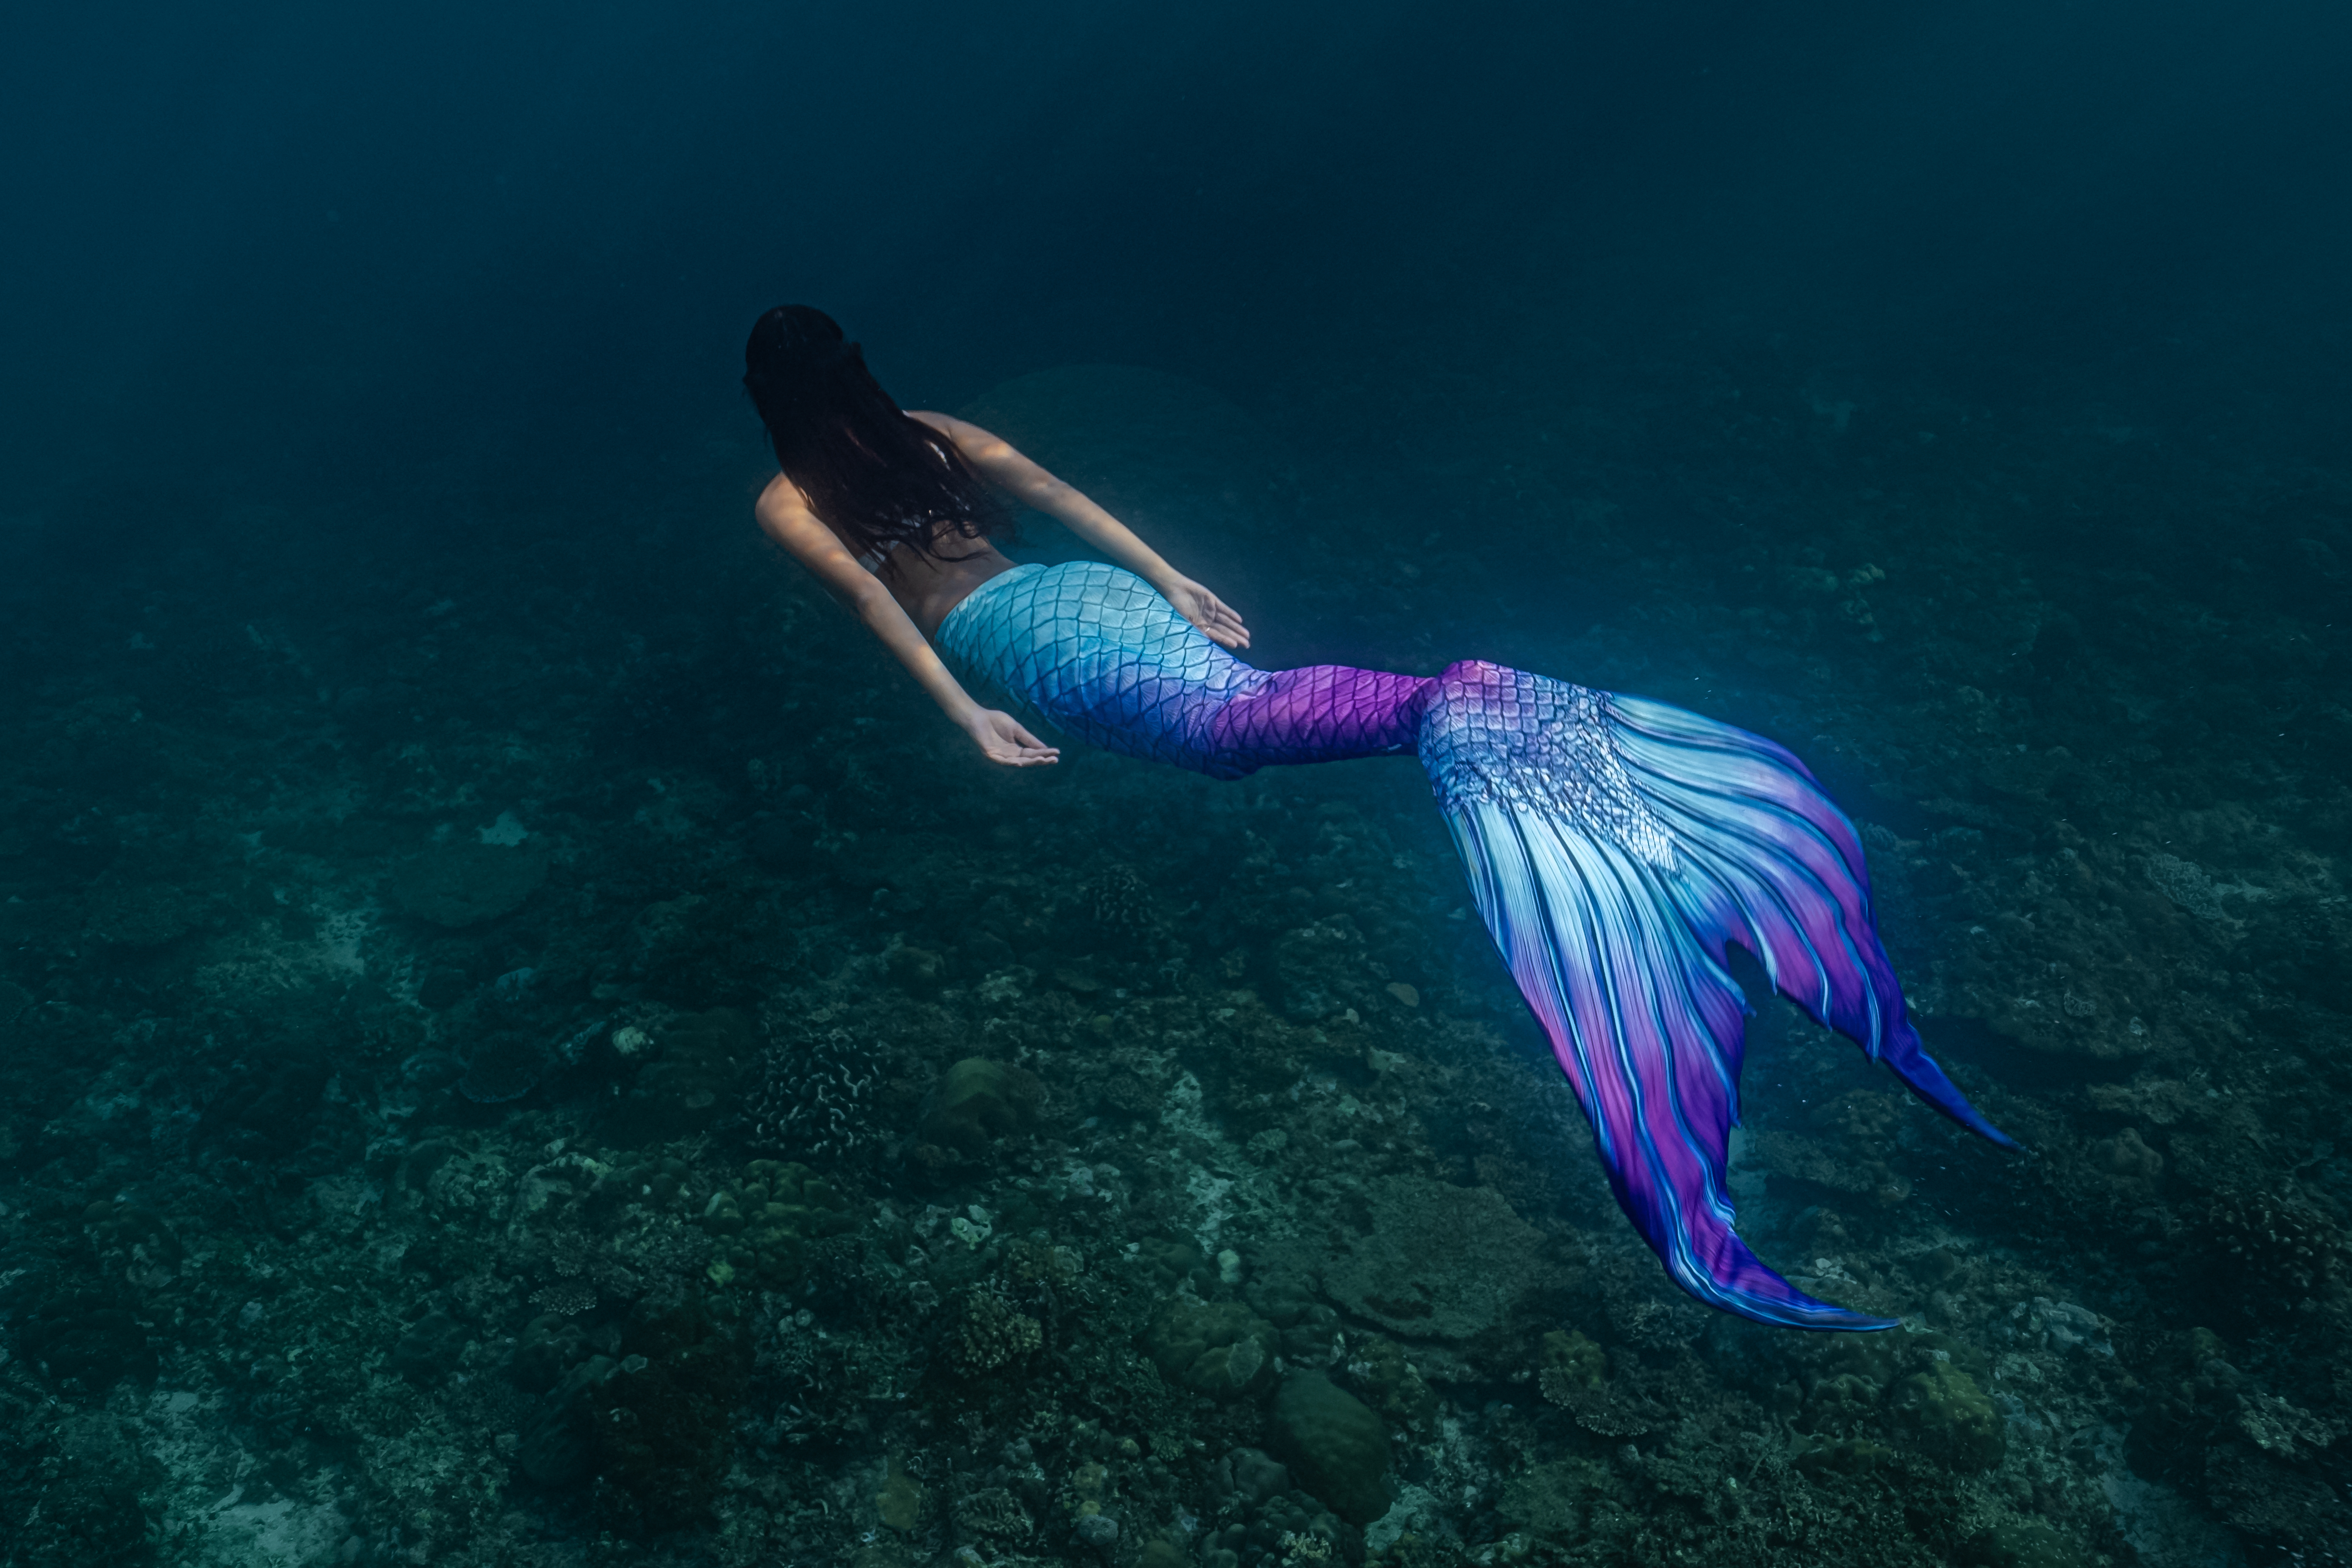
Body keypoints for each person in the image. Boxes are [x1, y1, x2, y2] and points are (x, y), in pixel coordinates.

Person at [745, 305, 2013, 1331]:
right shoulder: (929, 432)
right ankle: (1445, 705)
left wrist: (965, 715)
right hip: (1079, 599)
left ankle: (1447, 707)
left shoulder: (788, 504)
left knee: (1226, 738)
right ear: (856, 375)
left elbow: (878, 609)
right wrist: (1166, 575)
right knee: (1242, 710)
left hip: (1025, 648)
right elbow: (1062, 500)